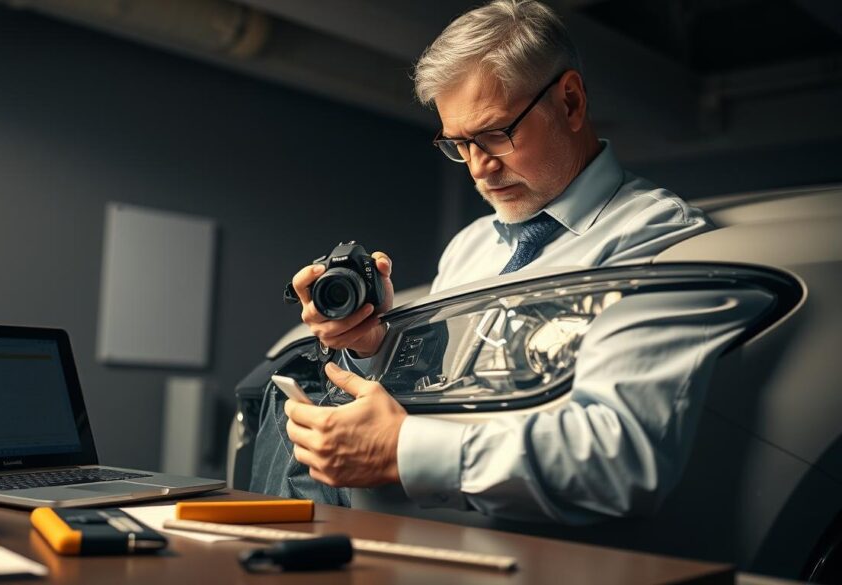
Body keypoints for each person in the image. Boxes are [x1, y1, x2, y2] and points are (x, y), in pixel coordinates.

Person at [283, 0, 770, 523]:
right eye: (459, 145)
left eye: (496, 134)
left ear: (571, 102)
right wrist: (372, 347)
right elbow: (443, 398)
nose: (479, 169)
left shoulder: (660, 241)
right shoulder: (471, 247)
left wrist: (404, 450)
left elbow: (619, 457)